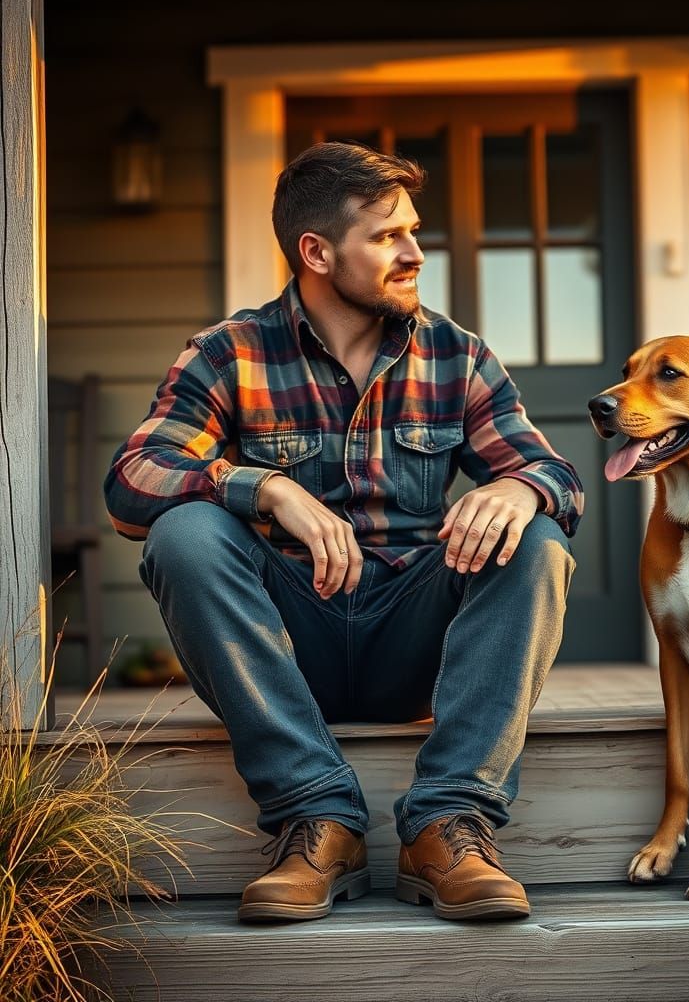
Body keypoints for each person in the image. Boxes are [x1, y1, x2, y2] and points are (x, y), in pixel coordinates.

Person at [103, 141, 583, 923]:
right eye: (387, 236)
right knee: (184, 532)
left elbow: (557, 476)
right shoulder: (230, 353)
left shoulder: (458, 355)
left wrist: (520, 490)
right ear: (317, 252)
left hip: (417, 645)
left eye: (413, 231)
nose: (415, 252)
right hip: (290, 649)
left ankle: (448, 825)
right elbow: (131, 482)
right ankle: (317, 818)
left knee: (535, 540)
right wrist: (263, 488)